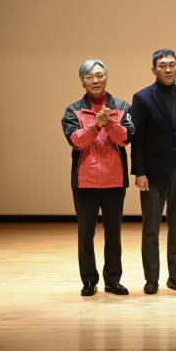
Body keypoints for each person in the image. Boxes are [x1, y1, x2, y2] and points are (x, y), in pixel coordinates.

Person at [61, 59, 134, 297]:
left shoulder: (122, 106)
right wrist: (95, 126)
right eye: (90, 77)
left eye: (100, 75)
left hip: (114, 180)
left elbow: (125, 138)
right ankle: (89, 280)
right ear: (82, 82)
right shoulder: (72, 110)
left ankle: (113, 280)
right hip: (85, 182)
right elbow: (76, 141)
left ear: (107, 77)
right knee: (86, 235)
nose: (96, 80)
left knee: (114, 235)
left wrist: (108, 123)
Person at [130, 49, 176, 295]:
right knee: (151, 229)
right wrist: (139, 172)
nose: (168, 69)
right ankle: (151, 279)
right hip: (152, 173)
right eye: (163, 65)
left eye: (172, 65)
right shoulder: (142, 98)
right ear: (154, 69)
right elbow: (137, 139)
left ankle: (175, 277)